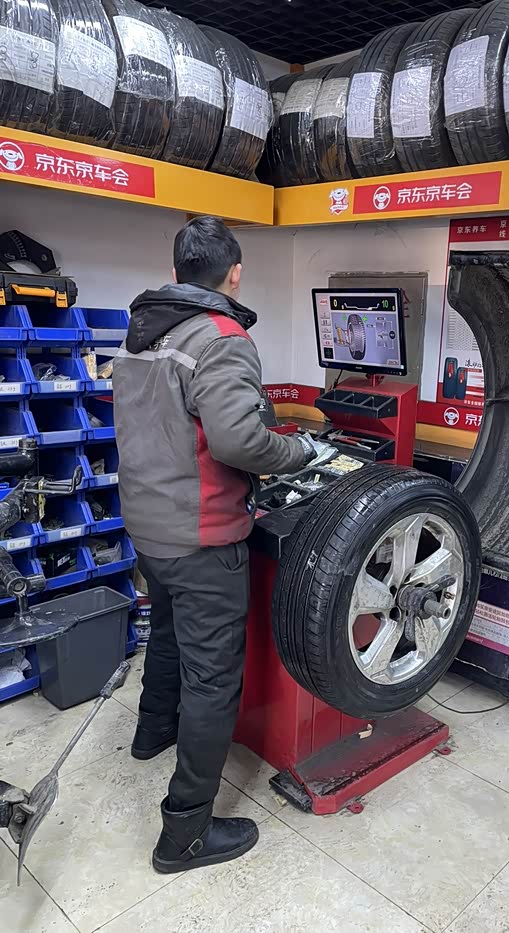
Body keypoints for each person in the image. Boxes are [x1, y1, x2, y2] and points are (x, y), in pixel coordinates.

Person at [113, 216, 322, 874]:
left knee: (168, 634)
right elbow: (237, 441)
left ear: (176, 273)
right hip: (202, 535)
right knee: (212, 680)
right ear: (234, 274)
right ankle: (185, 834)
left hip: (148, 526)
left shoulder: (142, 332)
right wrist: (301, 452)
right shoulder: (221, 337)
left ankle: (153, 730)